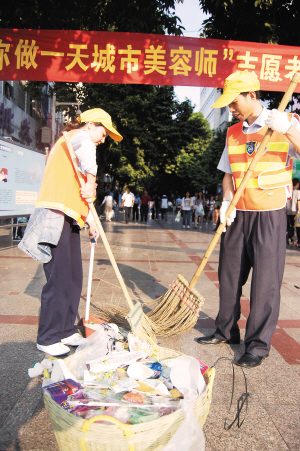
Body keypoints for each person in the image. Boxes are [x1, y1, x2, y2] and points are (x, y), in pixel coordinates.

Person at [195, 70, 300, 368]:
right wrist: (227, 199)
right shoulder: (232, 131)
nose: (230, 108)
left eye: (234, 102)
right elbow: (228, 172)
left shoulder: (284, 121)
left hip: (269, 213)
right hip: (239, 212)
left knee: (265, 282)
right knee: (229, 275)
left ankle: (257, 344)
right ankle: (226, 329)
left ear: (251, 95)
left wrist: (289, 128)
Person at [18, 108, 123, 356]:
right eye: (103, 132)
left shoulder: (75, 147)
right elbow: (88, 153)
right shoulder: (77, 138)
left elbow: (80, 191)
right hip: (55, 215)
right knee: (60, 278)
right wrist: (90, 180)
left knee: (74, 276)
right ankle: (48, 336)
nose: (103, 138)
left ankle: (66, 330)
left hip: (70, 218)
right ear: (90, 124)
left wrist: (92, 222)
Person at [286, 178, 300, 245]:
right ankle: (294, 240)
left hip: (288, 212)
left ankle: (290, 238)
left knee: (290, 226)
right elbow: (298, 202)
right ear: (297, 184)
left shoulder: (289, 192)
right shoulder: (298, 192)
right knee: (295, 227)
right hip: (295, 212)